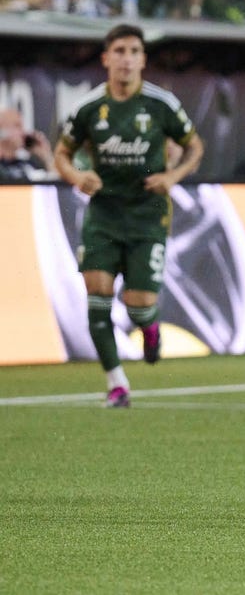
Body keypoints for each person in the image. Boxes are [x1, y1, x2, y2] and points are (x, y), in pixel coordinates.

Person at [54, 23, 205, 408]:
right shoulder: (88, 108)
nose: (127, 59)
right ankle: (116, 383)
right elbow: (61, 153)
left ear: (143, 59)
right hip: (103, 215)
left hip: (147, 215)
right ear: (106, 58)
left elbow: (194, 147)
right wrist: (76, 176)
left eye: (134, 51)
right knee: (98, 298)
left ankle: (149, 327)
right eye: (119, 51)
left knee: (138, 304)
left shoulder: (161, 104)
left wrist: (172, 176)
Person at [0, 107, 56, 182]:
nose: (23, 132)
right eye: (17, 126)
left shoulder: (27, 167)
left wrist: (46, 155)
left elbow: (58, 184)